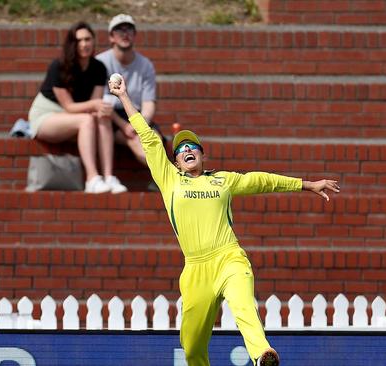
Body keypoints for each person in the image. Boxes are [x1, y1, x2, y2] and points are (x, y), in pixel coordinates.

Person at [108, 75, 340, 366]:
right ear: (176, 162)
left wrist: (306, 184)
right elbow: (149, 139)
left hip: (229, 257)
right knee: (192, 346)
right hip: (195, 269)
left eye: (192, 147)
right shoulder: (169, 180)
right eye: (180, 150)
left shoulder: (222, 180)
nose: (186, 151)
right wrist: (124, 97)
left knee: (243, 305)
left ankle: (261, 354)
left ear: (203, 155)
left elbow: (260, 181)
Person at [28, 21, 127, 194]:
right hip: (47, 116)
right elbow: (69, 107)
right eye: (79, 40)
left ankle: (109, 177)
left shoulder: (98, 67)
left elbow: (96, 107)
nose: (84, 44)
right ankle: (92, 178)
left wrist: (122, 124)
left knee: (100, 117)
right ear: (72, 44)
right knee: (87, 120)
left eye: (88, 39)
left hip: (77, 116)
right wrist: (96, 105)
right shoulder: (58, 67)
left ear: (93, 41)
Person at [96, 14, 165, 169]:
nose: (125, 33)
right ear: (111, 37)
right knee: (136, 141)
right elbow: (100, 103)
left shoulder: (145, 64)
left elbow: (148, 105)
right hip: (111, 117)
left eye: (129, 29)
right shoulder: (100, 63)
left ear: (135, 35)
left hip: (136, 115)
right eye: (119, 30)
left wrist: (139, 124)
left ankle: (167, 179)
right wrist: (123, 125)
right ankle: (167, 178)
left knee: (156, 141)